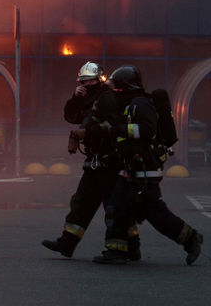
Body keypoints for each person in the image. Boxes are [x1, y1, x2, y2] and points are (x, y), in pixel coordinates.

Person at [93, 65, 203, 265]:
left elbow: (147, 130)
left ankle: (191, 238)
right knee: (117, 207)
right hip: (131, 169)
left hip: (144, 169)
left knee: (155, 213)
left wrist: (119, 129)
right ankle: (118, 251)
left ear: (126, 86)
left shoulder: (140, 104)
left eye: (116, 87)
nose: (114, 91)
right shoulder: (129, 105)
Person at [42, 62, 140, 259]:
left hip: (110, 160)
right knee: (81, 202)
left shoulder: (108, 98)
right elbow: (71, 117)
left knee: (114, 207)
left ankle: (129, 248)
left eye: (88, 82)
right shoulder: (89, 98)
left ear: (98, 80)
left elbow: (112, 124)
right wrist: (74, 98)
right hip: (94, 159)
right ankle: (67, 243)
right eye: (82, 82)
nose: (84, 85)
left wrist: (86, 132)